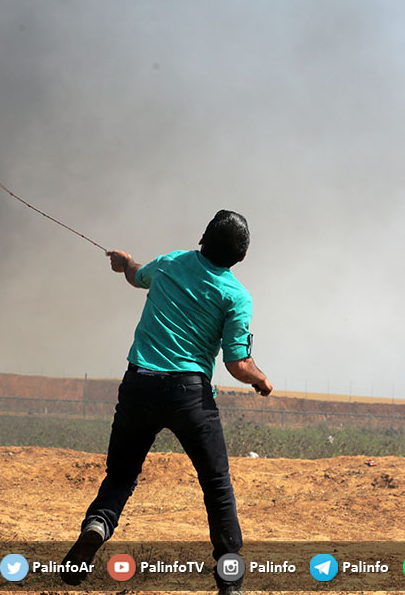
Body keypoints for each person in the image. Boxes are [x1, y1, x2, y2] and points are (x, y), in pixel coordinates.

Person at [61, 210, 273, 594]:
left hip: (139, 383)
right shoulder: (236, 296)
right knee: (216, 485)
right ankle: (230, 583)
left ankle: (97, 525)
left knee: (122, 475)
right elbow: (237, 363)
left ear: (202, 238)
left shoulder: (172, 261)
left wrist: (125, 264)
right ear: (242, 258)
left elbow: (137, 275)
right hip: (190, 395)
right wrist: (262, 380)